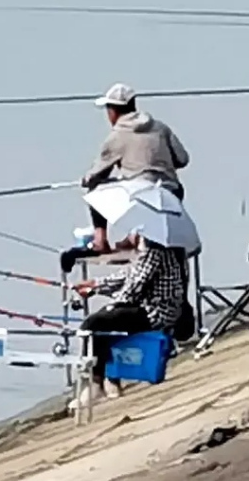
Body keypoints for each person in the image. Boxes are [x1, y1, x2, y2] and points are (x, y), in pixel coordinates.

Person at [78, 83, 190, 254]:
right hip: (169, 194)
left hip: (138, 197)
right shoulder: (160, 128)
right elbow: (182, 159)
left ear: (113, 111)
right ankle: (134, 236)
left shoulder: (117, 136)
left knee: (97, 190)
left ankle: (100, 240)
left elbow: (96, 175)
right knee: (172, 187)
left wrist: (86, 179)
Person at [73, 232, 189, 396]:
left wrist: (110, 303)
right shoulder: (160, 246)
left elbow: (135, 286)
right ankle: (110, 378)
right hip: (157, 309)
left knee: (93, 323)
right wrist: (97, 285)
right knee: (105, 321)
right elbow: (129, 275)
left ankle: (94, 384)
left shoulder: (155, 249)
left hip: (156, 313)